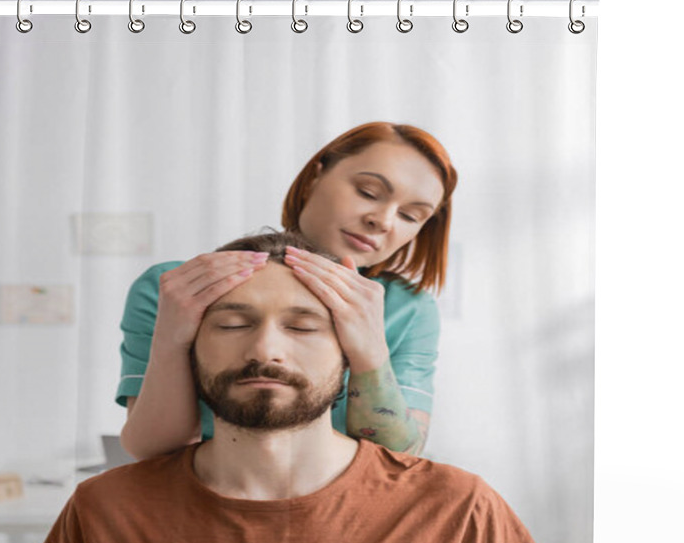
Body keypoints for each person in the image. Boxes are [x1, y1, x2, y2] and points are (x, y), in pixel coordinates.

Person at [21, 232, 571, 543]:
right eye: (232, 324)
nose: (265, 350)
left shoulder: (459, 506)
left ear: (350, 353)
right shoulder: (103, 510)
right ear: (189, 350)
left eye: (304, 326)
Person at [117, 122, 458, 460]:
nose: (382, 220)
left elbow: (398, 459)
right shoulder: (181, 287)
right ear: (315, 177)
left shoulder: (407, 309)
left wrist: (369, 351)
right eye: (368, 192)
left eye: (411, 216)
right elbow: (151, 451)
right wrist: (172, 340)